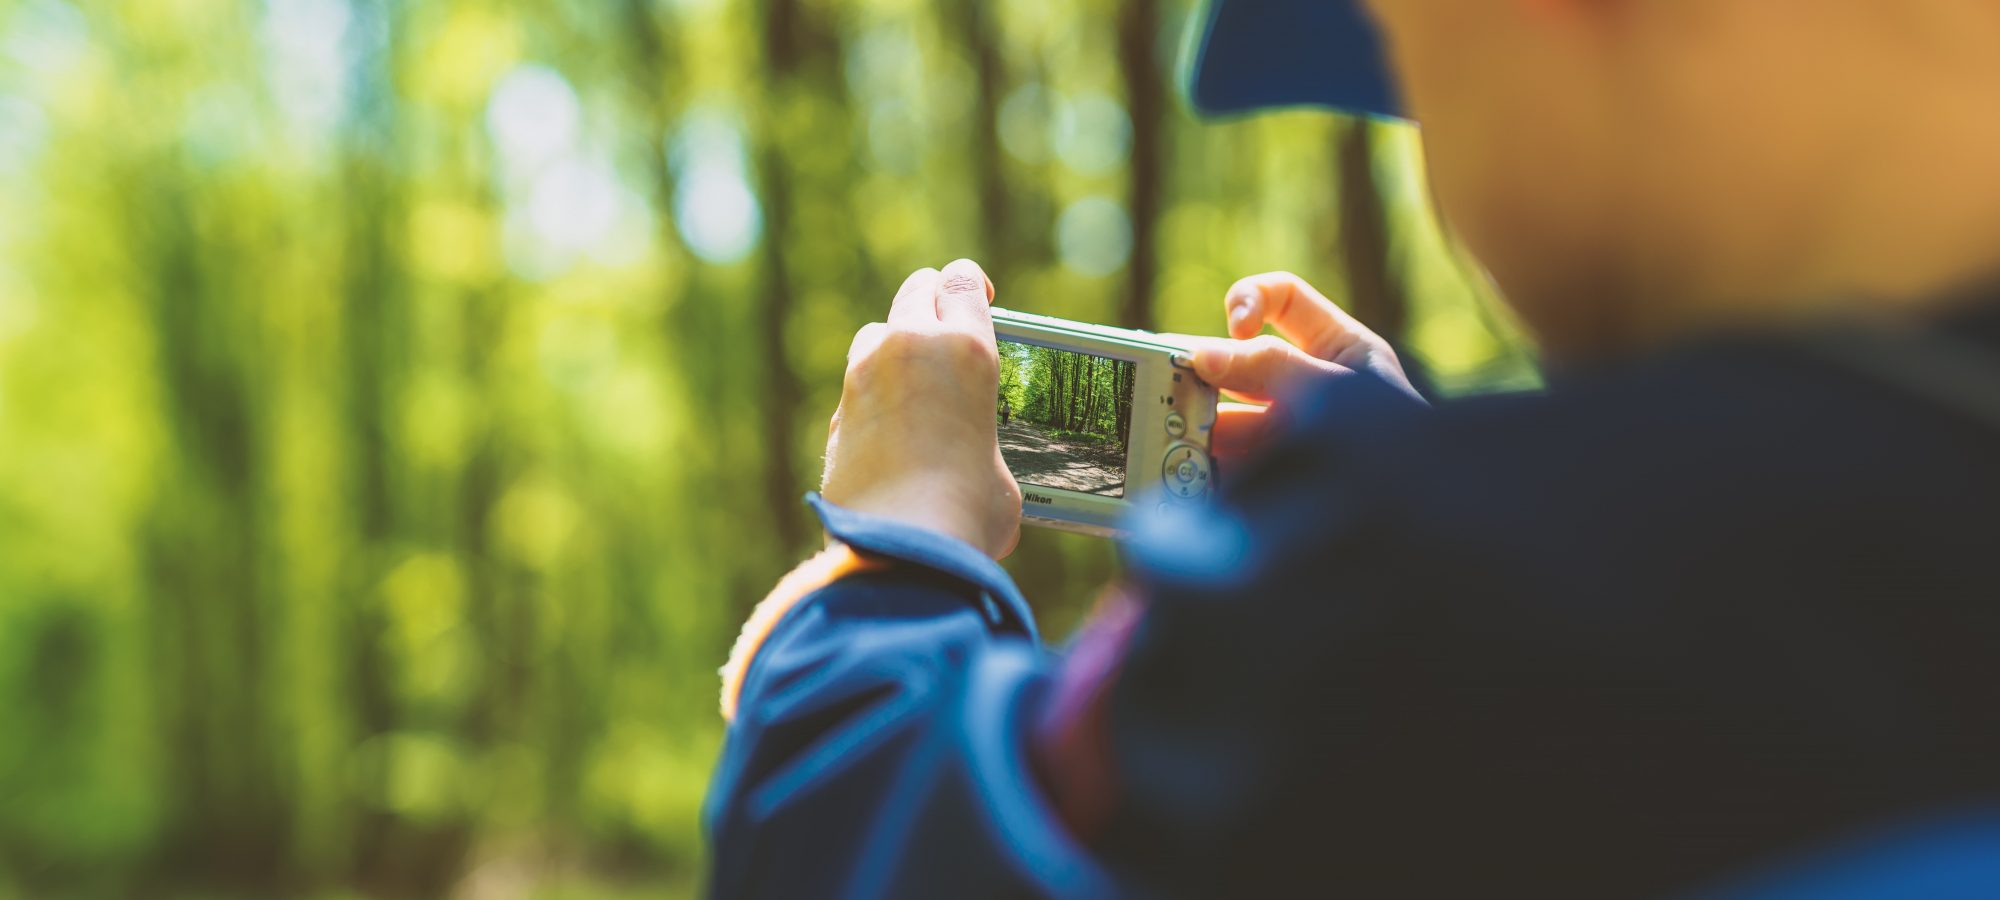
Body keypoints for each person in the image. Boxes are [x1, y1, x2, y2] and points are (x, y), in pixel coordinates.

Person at [704, 0, 2000, 897]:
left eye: (1412, 61)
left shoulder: (1395, 595)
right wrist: (1455, 472)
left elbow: (865, 849)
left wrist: (905, 539)